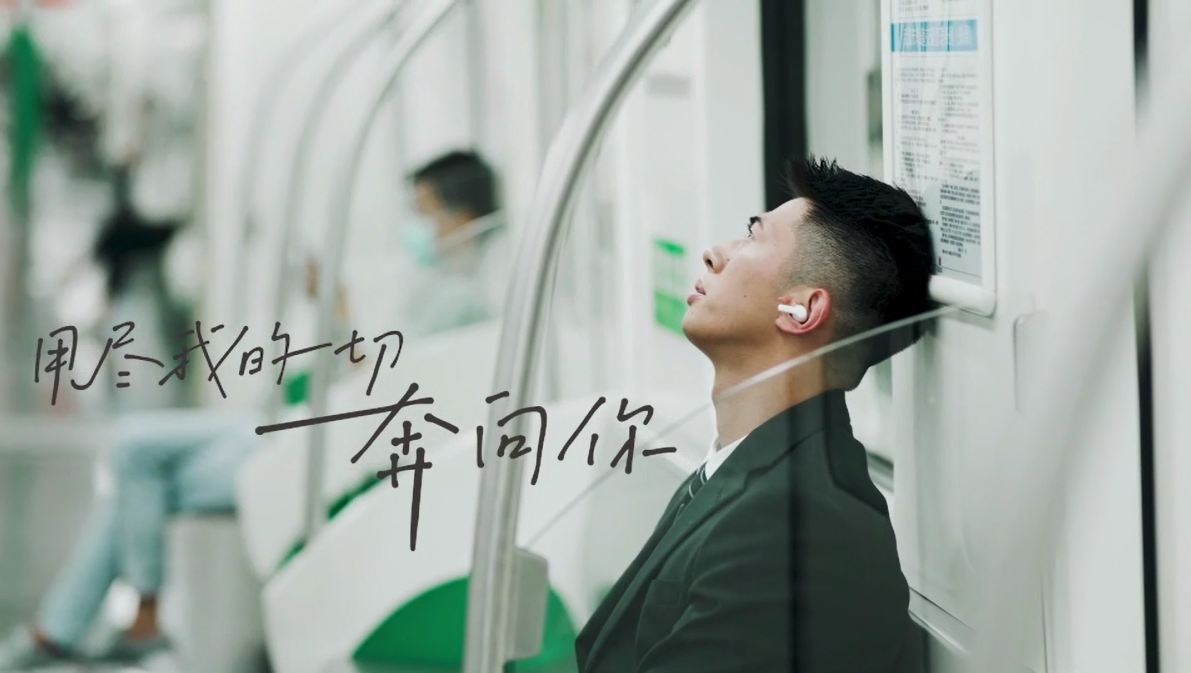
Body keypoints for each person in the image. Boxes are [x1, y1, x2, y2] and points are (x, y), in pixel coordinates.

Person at [0, 149, 509, 670]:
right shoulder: (433, 290)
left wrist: (339, 314)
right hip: (299, 428)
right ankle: (114, 624)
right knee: (135, 461)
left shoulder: (460, 303)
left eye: (423, 211)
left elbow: (389, 397)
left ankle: (79, 629)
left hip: (318, 447)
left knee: (137, 465)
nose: (413, 225)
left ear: (462, 217)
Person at [575, 157, 932, 673]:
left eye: (752, 236)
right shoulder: (745, 469)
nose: (714, 254)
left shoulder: (797, 529)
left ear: (802, 310)